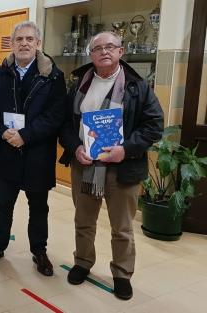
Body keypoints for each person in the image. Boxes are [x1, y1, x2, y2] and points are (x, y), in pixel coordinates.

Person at [59, 31, 164, 300]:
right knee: (83, 221)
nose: (104, 51)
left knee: (122, 227)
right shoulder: (80, 83)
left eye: (110, 47)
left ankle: (121, 273)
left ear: (121, 51)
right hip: (85, 165)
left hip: (122, 168)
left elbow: (154, 126)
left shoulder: (136, 86)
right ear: (91, 55)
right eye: (98, 48)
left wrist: (125, 150)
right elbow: (65, 125)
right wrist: (75, 147)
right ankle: (82, 262)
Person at [0, 21, 66, 277]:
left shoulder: (53, 76)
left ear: (38, 44)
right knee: (2, 203)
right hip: (6, 150)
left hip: (37, 154)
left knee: (38, 207)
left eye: (30, 39)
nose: (24, 43)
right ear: (12, 44)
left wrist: (25, 136)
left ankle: (39, 250)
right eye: (19, 39)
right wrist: (2, 132)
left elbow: (55, 116)